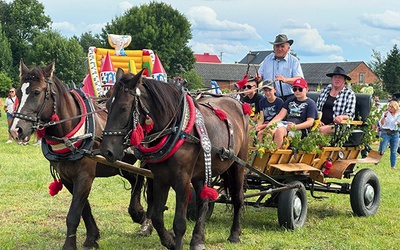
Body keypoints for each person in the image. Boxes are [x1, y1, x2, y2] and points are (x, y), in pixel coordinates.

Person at [267, 78, 318, 148]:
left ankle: (274, 154)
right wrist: (270, 124)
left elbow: (310, 122)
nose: (297, 91)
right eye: (295, 89)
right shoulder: (290, 100)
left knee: (280, 131)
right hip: (287, 124)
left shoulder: (310, 103)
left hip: (300, 128)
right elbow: (279, 116)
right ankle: (265, 152)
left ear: (306, 89)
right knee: (269, 129)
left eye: (300, 89)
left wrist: (295, 127)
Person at [255, 34, 304, 101]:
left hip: (288, 98)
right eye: (277, 46)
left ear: (288, 48)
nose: (279, 49)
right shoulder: (267, 59)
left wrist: (285, 80)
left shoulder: (294, 61)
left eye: (282, 46)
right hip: (270, 98)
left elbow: (299, 80)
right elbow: (260, 76)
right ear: (273, 48)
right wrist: (258, 77)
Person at [316, 66, 356, 135]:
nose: (337, 79)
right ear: (332, 79)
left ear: (344, 80)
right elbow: (316, 109)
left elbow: (350, 115)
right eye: (335, 77)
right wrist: (317, 121)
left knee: (321, 130)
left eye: (339, 77)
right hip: (320, 123)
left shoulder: (349, 94)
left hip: (339, 126)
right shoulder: (325, 91)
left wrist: (341, 117)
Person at [378, 100, 400, 170]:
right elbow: (381, 123)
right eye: (389, 106)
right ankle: (376, 161)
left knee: (394, 150)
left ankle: (393, 166)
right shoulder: (386, 113)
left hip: (395, 133)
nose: (390, 108)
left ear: (395, 107)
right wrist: (384, 116)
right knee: (382, 149)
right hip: (385, 132)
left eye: (392, 107)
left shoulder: (398, 115)